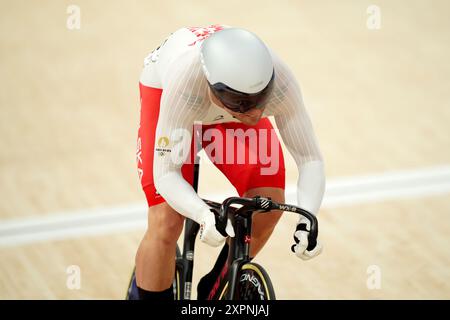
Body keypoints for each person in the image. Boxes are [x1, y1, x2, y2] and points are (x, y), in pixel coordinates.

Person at [132, 25, 326, 300]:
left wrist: (308, 218)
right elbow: (166, 176)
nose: (256, 112)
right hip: (169, 94)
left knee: (267, 204)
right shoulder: (184, 83)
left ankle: (214, 292)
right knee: (167, 220)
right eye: (243, 103)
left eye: (261, 99)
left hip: (220, 109)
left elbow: (309, 159)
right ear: (214, 89)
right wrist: (200, 214)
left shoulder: (280, 81)